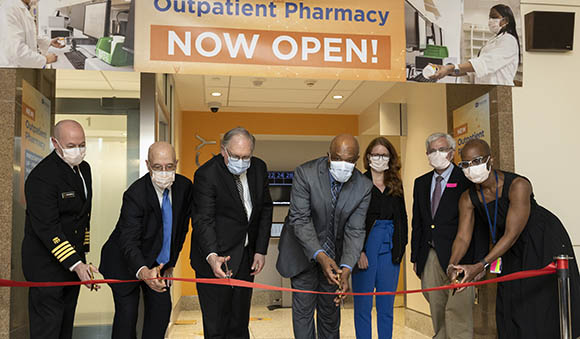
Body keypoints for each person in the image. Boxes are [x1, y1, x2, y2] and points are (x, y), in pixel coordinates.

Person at [447, 139, 580, 339]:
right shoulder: (468, 198)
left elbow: (512, 233)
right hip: (509, 248)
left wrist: (481, 265)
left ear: (490, 160)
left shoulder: (518, 185)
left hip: (541, 240)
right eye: (465, 164)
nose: (471, 168)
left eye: (477, 161)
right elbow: (462, 237)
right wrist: (452, 264)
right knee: (510, 303)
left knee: (539, 305)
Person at [277, 134, 373, 339]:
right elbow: (300, 220)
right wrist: (321, 256)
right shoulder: (306, 173)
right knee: (303, 313)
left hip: (336, 259)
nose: (343, 165)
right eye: (338, 158)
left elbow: (355, 230)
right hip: (302, 253)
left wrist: (346, 268)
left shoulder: (364, 186)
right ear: (328, 156)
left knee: (330, 314)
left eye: (349, 161)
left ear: (357, 160)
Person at [99, 142, 193, 339]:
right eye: (158, 167)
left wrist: (170, 264)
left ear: (176, 163)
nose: (164, 172)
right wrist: (142, 271)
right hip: (124, 262)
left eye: (169, 166)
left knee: (161, 312)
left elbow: (179, 230)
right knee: (127, 315)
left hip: (157, 263)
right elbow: (128, 241)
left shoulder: (184, 188)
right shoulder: (135, 194)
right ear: (148, 165)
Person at [190, 127, 273, 338]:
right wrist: (212, 256)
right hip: (216, 259)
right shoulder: (206, 174)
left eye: (247, 157)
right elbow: (203, 220)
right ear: (223, 150)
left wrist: (260, 250)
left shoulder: (259, 168)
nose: (242, 161)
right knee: (217, 325)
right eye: (236, 156)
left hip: (245, 257)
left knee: (239, 322)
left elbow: (264, 209)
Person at [22, 120, 97, 339]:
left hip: (71, 265)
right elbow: (48, 228)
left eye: (82, 144)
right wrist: (75, 263)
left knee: (65, 327)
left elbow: (82, 216)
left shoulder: (85, 169)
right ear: (55, 143)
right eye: (72, 145)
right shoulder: (42, 178)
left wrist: (81, 260)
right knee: (48, 328)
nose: (78, 151)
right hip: (46, 267)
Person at [410, 133, 487, 339]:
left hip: (462, 256)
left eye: (442, 149)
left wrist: (480, 262)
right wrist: (416, 257)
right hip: (430, 255)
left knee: (458, 311)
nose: (438, 154)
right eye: (433, 150)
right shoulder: (421, 183)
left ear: (452, 152)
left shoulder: (466, 178)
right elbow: (417, 222)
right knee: (437, 309)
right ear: (427, 154)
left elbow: (479, 224)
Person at [351, 137, 407, 339]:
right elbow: (352, 222)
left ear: (390, 158)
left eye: (384, 155)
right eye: (376, 154)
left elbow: (403, 219)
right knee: (363, 307)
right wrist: (358, 251)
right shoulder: (358, 183)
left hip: (390, 249)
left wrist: (400, 250)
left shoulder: (395, 184)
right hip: (365, 249)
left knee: (386, 307)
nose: (380, 158)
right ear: (368, 157)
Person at [430, 4, 520, 85]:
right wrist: (448, 71)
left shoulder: (509, 40)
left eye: (494, 17)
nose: (490, 20)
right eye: (490, 17)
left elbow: (485, 63)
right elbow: (475, 70)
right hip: (487, 89)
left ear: (505, 21)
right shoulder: (494, 40)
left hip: (500, 91)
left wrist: (450, 68)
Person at [0, 0, 64, 68]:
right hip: (14, 70)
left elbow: (28, 35)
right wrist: (45, 59)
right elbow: (16, 51)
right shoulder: (10, 8)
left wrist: (49, 42)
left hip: (22, 67)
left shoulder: (22, 7)